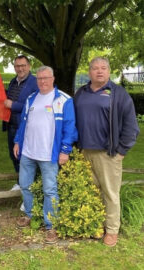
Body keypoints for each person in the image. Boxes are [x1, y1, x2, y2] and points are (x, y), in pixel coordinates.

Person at [74, 57, 139, 247]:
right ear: (89, 72)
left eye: (103, 68)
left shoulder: (118, 94)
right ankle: (96, 225)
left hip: (108, 153)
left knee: (110, 193)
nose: (99, 71)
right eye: (95, 68)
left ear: (109, 72)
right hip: (84, 151)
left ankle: (111, 230)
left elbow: (131, 126)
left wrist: (122, 151)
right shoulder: (81, 93)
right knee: (92, 192)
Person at [14, 66, 77, 244]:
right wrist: (18, 141)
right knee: (25, 185)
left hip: (49, 154)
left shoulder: (64, 100)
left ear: (53, 78)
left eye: (46, 78)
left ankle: (51, 226)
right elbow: (23, 123)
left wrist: (65, 151)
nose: (42, 81)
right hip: (28, 152)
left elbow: (69, 128)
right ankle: (29, 214)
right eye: (39, 78)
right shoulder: (31, 99)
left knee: (50, 190)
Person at [3, 55, 38, 191]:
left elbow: (36, 106)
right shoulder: (12, 82)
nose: (20, 68)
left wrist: (14, 105)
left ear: (29, 66)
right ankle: (20, 182)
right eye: (17, 66)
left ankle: (28, 185)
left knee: (25, 157)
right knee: (14, 155)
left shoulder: (35, 83)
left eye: (23, 65)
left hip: (26, 128)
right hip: (11, 125)